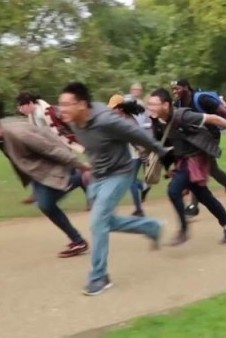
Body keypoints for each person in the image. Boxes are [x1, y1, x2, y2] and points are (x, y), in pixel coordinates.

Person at [59, 82, 167, 296]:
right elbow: (91, 145)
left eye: (66, 104)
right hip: (98, 175)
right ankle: (151, 227)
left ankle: (99, 277)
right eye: (59, 104)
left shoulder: (107, 120)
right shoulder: (73, 120)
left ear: (81, 104)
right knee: (106, 221)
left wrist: (159, 149)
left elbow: (136, 134)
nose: (62, 109)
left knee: (98, 222)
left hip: (120, 172)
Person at [0, 111, 91, 258]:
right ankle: (77, 240)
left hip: (52, 167)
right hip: (38, 171)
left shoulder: (19, 135)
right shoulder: (1, 135)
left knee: (46, 204)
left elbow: (52, 149)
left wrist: (80, 165)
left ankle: (81, 179)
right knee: (45, 204)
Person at [148, 88, 226, 245]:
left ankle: (184, 230)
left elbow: (212, 118)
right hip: (181, 160)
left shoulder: (182, 115)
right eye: (148, 104)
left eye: (153, 104)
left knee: (173, 190)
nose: (150, 107)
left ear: (165, 105)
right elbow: (161, 144)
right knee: (203, 195)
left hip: (195, 158)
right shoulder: (157, 122)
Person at [170, 78, 226, 214]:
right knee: (211, 170)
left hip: (210, 137)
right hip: (194, 139)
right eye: (173, 89)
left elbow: (223, 112)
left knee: (196, 166)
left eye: (177, 88)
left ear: (186, 87)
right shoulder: (178, 103)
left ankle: (194, 205)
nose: (175, 91)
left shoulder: (201, 99)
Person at [107, 94, 149, 217]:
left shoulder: (128, 121)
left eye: (113, 108)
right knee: (129, 180)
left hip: (136, 154)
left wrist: (143, 155)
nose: (111, 110)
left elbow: (137, 140)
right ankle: (143, 186)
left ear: (120, 108)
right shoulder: (121, 119)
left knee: (130, 181)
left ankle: (139, 210)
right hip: (130, 154)